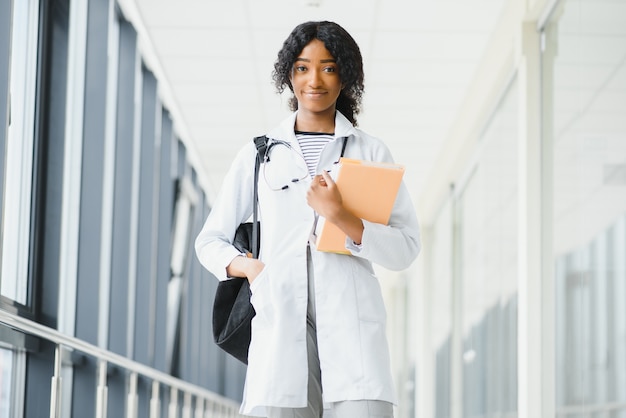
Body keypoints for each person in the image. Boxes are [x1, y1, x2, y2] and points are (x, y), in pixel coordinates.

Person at [195, 21, 421, 418]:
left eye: (329, 67)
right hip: (278, 326)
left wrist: (341, 216)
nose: (314, 79)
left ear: (346, 76)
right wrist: (251, 268)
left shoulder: (370, 151)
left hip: (355, 342)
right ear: (289, 75)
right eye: (302, 67)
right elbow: (209, 241)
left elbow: (405, 248)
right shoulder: (258, 155)